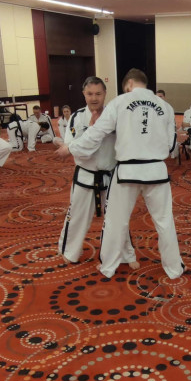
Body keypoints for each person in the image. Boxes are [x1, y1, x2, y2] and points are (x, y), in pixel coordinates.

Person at [58, 68, 184, 280]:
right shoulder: (166, 107)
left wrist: (71, 148)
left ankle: (108, 266)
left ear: (128, 85)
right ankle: (174, 268)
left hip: (127, 172)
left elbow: (96, 134)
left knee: (116, 221)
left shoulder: (119, 102)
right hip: (157, 172)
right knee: (165, 222)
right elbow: (172, 146)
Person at [58, 78, 135, 265]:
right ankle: (70, 251)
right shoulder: (77, 117)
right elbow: (73, 148)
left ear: (105, 94)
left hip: (110, 174)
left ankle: (124, 254)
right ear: (84, 94)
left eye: (98, 94)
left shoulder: (115, 116)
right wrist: (91, 130)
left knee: (118, 217)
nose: (94, 98)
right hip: (85, 173)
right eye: (90, 94)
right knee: (77, 216)